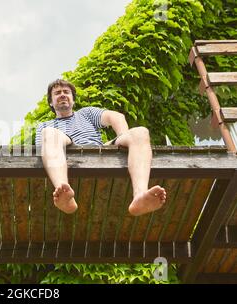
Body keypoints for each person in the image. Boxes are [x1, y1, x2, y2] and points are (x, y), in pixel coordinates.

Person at [35, 79, 166, 216]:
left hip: (99, 148)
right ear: (51, 102)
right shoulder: (45, 126)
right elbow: (43, 151)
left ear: (73, 100)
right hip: (67, 149)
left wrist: (123, 137)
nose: (62, 94)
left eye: (66, 92)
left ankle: (140, 195)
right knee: (49, 133)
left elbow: (115, 116)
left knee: (140, 132)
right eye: (57, 93)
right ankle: (63, 191)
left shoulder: (86, 113)